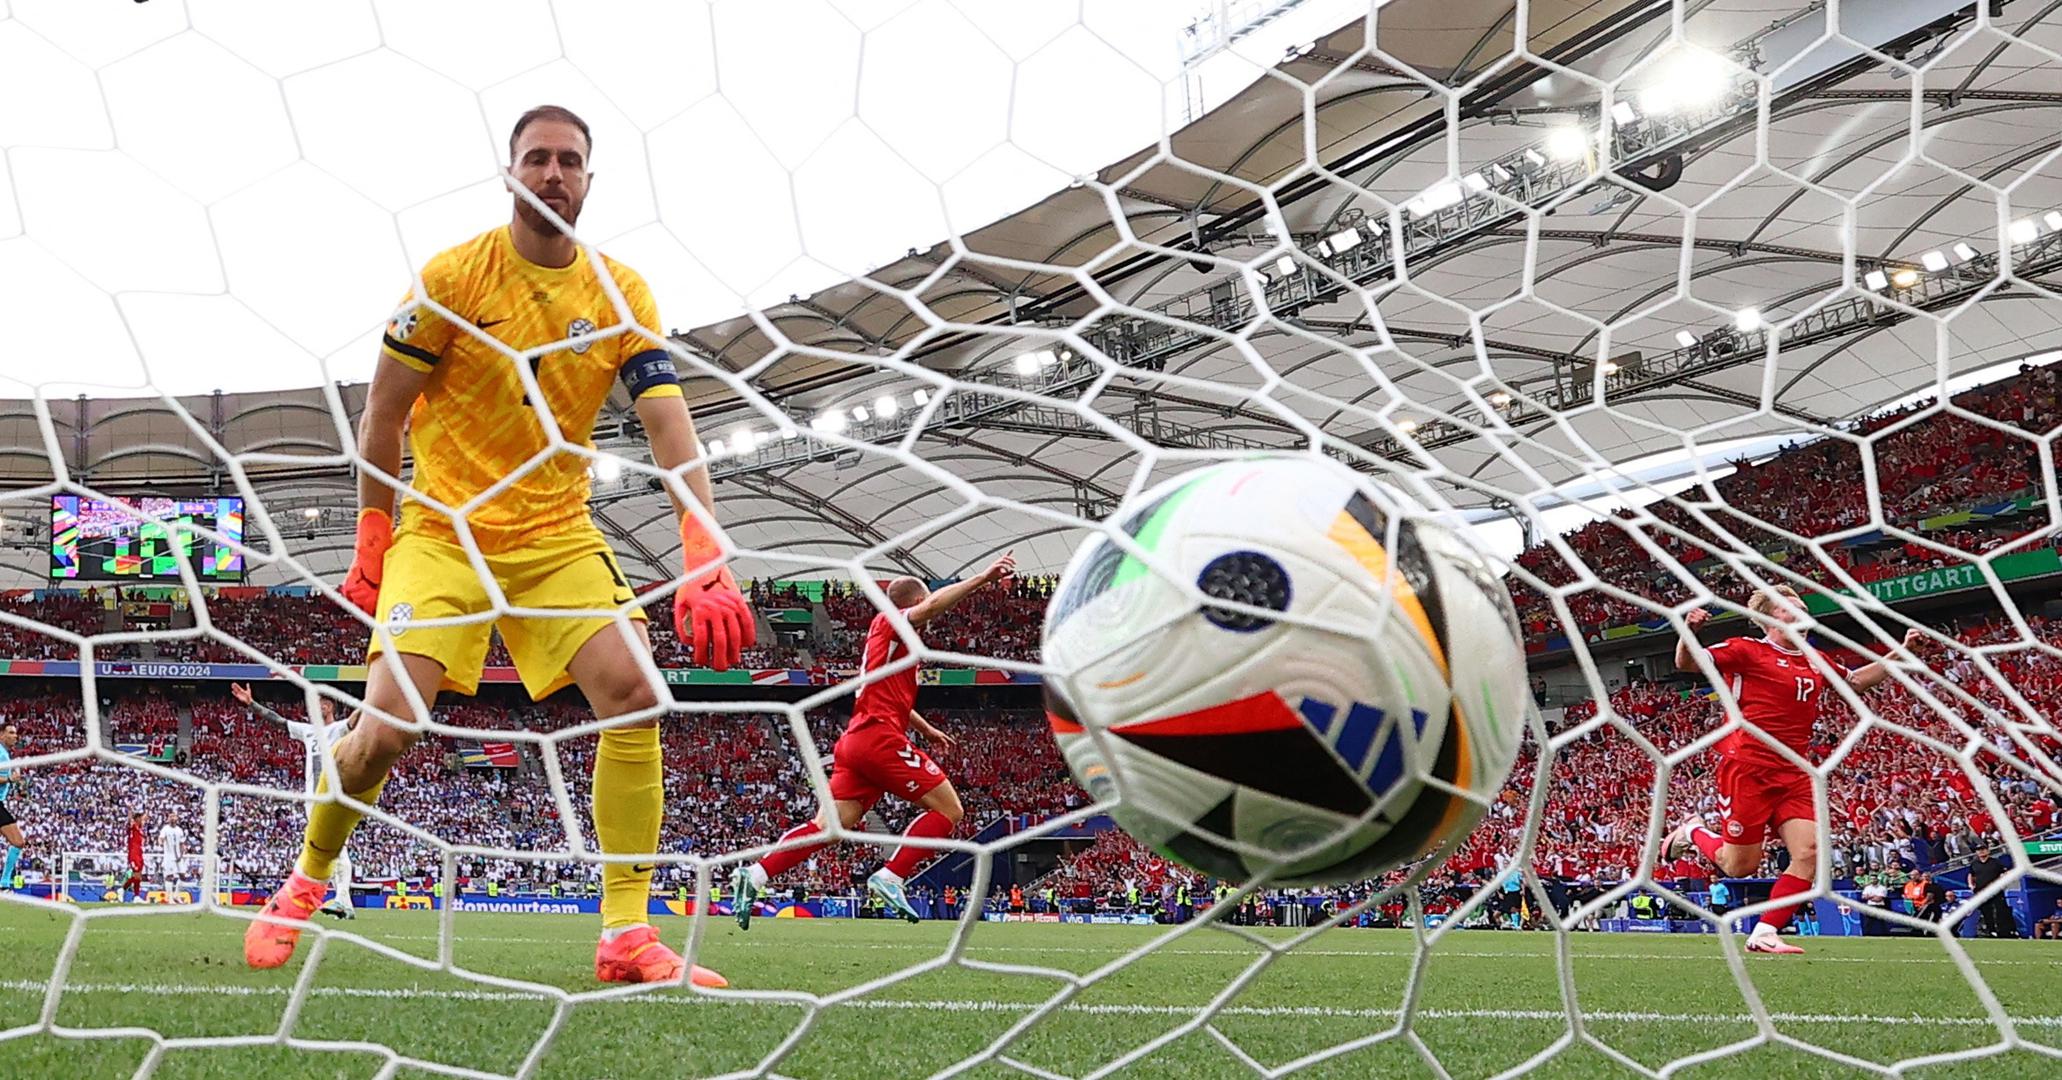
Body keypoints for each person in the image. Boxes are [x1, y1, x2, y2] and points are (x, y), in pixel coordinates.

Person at [241, 105, 753, 989]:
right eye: (538, 158)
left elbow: (671, 428)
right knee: (387, 730)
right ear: (510, 173)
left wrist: (704, 548)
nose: (554, 173)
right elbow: (382, 415)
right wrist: (373, 533)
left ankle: (626, 935)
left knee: (636, 694)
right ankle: (306, 879)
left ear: (589, 179)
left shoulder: (621, 292)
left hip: (555, 533)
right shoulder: (452, 279)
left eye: (570, 161)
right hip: (443, 531)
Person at [730, 552, 1015, 928]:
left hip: (858, 741)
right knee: (950, 810)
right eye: (924, 602)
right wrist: (983, 577)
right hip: (878, 738)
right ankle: (892, 876)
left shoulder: (890, 644)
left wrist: (925, 730)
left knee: (829, 827)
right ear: (916, 601)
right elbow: (932, 607)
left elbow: (886, 695)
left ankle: (755, 875)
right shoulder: (893, 622)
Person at [1666, 586, 1923, 954]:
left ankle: (1765, 932)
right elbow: (1689, 664)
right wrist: (1688, 631)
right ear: (1771, 618)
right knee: (1739, 867)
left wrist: (1903, 651)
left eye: (1804, 607)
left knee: (1810, 851)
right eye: (1792, 609)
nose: (1803, 613)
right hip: (1748, 769)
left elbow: (1855, 681)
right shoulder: (1746, 649)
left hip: (1795, 771)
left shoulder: (1814, 658)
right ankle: (1692, 831)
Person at [232, 683, 356, 920]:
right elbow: (278, 721)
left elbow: (356, 719)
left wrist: (377, 698)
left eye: (320, 703)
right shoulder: (308, 731)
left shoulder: (338, 729)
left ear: (329, 706)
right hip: (312, 801)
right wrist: (252, 704)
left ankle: (340, 898)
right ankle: (341, 900)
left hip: (333, 796)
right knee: (322, 848)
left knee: (335, 848)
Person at [1966, 844, 2019, 938]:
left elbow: (2005, 873)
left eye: (1983, 849)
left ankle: (2004, 931)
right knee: (1986, 912)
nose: (1981, 851)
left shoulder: (1995, 862)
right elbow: (1971, 874)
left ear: (1988, 851)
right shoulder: (1974, 863)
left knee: (2000, 910)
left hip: (1995, 891)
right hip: (1981, 891)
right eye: (1978, 850)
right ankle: (1991, 931)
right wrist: (1971, 885)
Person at [0, 723, 22, 892]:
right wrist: (10, 779)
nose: (15, 736)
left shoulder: (5, 754)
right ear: (2, 735)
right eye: (11, 733)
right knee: (18, 842)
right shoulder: (1, 753)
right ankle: (4, 884)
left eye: (15, 733)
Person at [156, 818, 187, 897]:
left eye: (174, 818)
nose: (173, 820)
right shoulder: (165, 829)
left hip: (178, 856)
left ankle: (176, 896)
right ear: (169, 820)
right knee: (169, 876)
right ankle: (169, 898)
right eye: (171, 818)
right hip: (169, 856)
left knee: (183, 876)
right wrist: (160, 842)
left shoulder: (179, 830)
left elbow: (182, 843)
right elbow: (161, 838)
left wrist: (182, 854)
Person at [124, 811, 146, 903]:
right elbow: (129, 824)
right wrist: (130, 817)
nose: (143, 820)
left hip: (139, 853)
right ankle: (124, 889)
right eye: (141, 818)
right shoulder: (133, 827)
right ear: (137, 819)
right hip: (134, 854)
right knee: (136, 875)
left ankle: (135, 896)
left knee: (139, 876)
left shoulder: (140, 829)